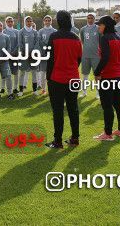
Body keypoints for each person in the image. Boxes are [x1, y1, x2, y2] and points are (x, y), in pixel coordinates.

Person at [45, 10, 83, 149]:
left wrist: (48, 78)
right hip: (73, 78)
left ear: (59, 21)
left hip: (57, 79)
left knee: (58, 111)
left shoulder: (53, 37)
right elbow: (79, 58)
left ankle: (58, 141)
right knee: (73, 109)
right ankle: (75, 138)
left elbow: (49, 59)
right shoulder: (76, 38)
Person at [93, 15, 120, 141]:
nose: (98, 26)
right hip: (118, 77)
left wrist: (97, 73)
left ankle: (107, 134)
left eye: (100, 24)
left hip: (107, 77)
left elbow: (105, 57)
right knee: (118, 104)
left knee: (107, 105)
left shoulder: (105, 38)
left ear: (106, 25)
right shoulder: (119, 38)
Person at [79, 13, 100, 99]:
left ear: (95, 19)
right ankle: (84, 92)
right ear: (86, 19)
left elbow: (101, 41)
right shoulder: (83, 29)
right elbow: (83, 41)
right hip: (85, 56)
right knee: (85, 74)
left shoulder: (98, 28)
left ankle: (98, 93)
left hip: (96, 56)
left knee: (97, 75)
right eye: (88, 18)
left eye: (92, 18)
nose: (90, 19)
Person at [18, 16, 39, 96]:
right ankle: (21, 91)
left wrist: (32, 53)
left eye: (30, 21)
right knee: (22, 72)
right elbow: (20, 43)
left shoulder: (35, 32)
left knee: (34, 72)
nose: (29, 22)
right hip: (24, 55)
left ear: (32, 22)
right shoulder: (21, 32)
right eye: (27, 21)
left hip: (33, 56)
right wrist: (25, 53)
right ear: (24, 22)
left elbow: (37, 43)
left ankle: (34, 90)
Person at [37, 15, 56, 95]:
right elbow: (39, 42)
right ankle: (43, 89)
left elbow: (55, 43)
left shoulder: (54, 31)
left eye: (49, 20)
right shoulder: (40, 31)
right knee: (42, 73)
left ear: (51, 21)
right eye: (46, 20)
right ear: (44, 21)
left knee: (51, 74)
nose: (47, 22)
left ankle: (51, 90)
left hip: (51, 55)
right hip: (43, 55)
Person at [3, 16, 20, 95]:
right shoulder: (3, 32)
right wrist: (7, 53)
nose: (10, 23)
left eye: (11, 21)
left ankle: (15, 88)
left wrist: (14, 52)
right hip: (6, 55)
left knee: (16, 72)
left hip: (15, 55)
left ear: (13, 22)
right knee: (6, 73)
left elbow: (18, 43)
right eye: (8, 21)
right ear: (5, 22)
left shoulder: (17, 32)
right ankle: (5, 88)